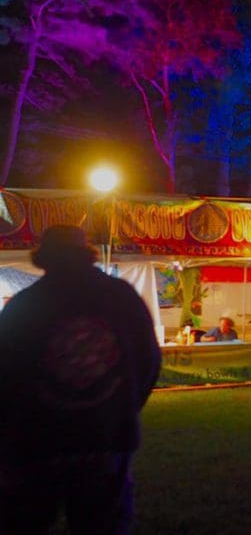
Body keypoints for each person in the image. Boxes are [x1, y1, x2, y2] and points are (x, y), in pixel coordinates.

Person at [0, 225, 161, 534]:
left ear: (43, 257)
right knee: (102, 524)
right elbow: (148, 362)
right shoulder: (122, 298)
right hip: (105, 438)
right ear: (87, 253)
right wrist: (121, 408)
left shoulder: (24, 306)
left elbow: (5, 377)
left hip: (38, 441)